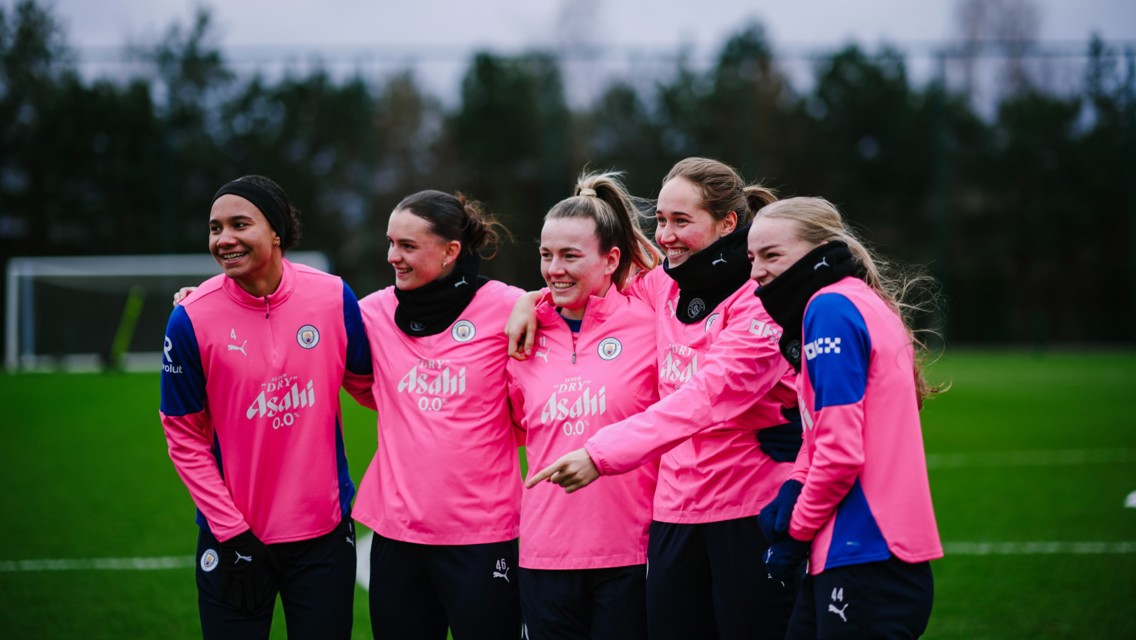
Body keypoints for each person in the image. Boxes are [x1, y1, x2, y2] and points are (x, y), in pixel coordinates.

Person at [519, 157, 801, 639]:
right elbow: (587, 282)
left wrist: (601, 454)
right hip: (672, 514)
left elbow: (706, 395)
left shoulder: (760, 299)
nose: (665, 235)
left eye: (681, 221)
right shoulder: (663, 285)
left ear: (727, 223)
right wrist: (530, 301)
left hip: (747, 508)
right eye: (661, 220)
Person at [160, 175, 375, 639]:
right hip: (233, 537)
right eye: (216, 228)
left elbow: (371, 386)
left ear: (276, 232)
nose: (225, 239)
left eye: (240, 224)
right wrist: (230, 531)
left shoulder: (333, 297)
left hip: (323, 536)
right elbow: (183, 435)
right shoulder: (191, 317)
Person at [748, 196, 944, 639]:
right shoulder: (860, 301)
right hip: (865, 556)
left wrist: (795, 533)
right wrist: (796, 484)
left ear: (819, 250)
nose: (757, 271)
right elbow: (820, 438)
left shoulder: (829, 309)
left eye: (772, 254)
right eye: (751, 257)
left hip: (863, 553)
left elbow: (839, 453)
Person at [352, 189, 524, 639]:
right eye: (390, 243)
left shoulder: (510, 305)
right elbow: (300, 323)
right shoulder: (371, 313)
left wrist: (536, 301)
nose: (393, 256)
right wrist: (207, 300)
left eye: (408, 246)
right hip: (397, 535)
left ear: (451, 252)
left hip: (483, 535)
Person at [506, 172, 662, 639]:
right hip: (545, 555)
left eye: (571, 255)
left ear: (611, 259)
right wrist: (526, 304)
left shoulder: (652, 321)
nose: (555, 268)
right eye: (546, 255)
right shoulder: (522, 335)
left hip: (634, 553)